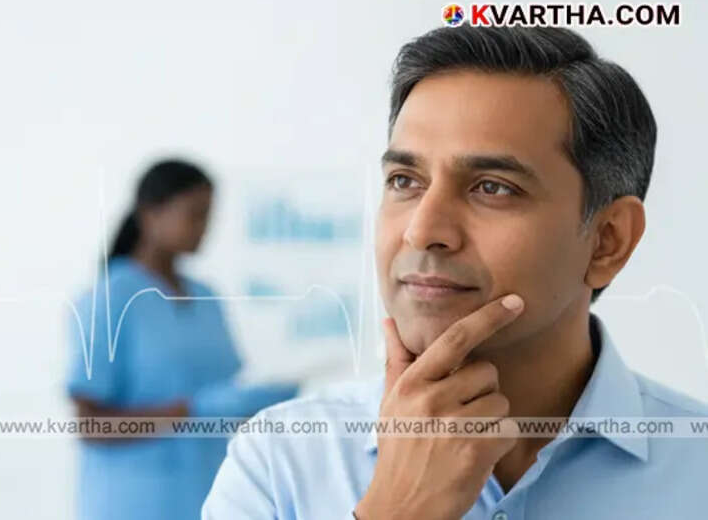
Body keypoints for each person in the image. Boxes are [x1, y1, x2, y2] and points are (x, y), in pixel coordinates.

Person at [202, 26, 708, 519]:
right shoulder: (278, 462)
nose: (422, 231)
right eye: (404, 180)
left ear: (607, 240)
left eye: (493, 187)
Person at [66, 158, 299, 520]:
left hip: (210, 495)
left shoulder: (206, 296)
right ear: (150, 214)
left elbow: (225, 394)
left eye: (209, 215)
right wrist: (188, 411)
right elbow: (90, 424)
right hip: (133, 504)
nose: (205, 228)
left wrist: (257, 406)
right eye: (195, 214)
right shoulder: (110, 299)